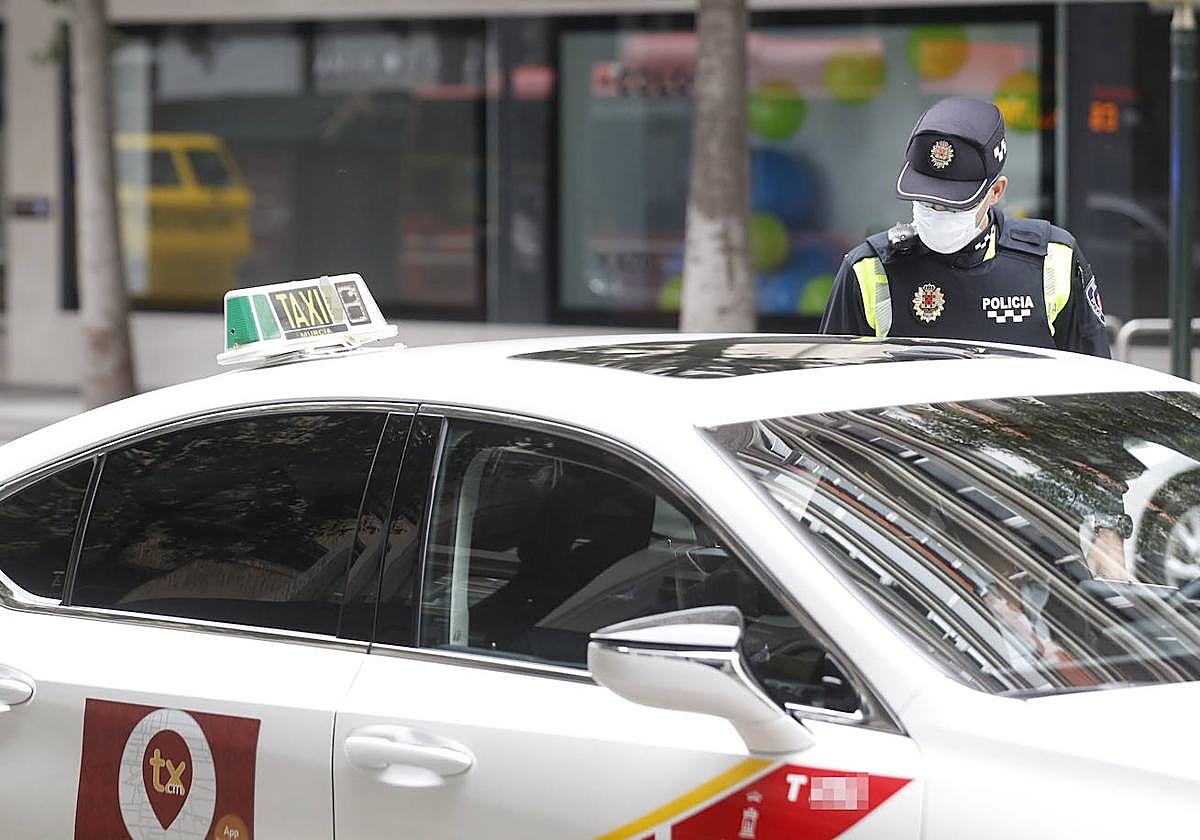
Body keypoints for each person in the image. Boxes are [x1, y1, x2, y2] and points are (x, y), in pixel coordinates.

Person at [820, 96, 1111, 358]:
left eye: (954, 204)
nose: (937, 213)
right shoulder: (869, 269)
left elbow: (1098, 388)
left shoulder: (1053, 260)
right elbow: (830, 394)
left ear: (996, 191)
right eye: (925, 200)